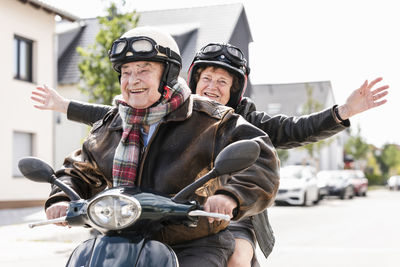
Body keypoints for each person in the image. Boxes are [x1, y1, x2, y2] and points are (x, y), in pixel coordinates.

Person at [32, 42, 389, 267]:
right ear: (191, 80)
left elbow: (290, 133)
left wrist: (342, 112)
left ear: (235, 89)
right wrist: (63, 109)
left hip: (221, 212)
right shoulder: (132, 116)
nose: (213, 87)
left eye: (224, 81)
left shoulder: (228, 122)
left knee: (236, 256)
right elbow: (100, 131)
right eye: (207, 78)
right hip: (140, 219)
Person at [38, 26, 280, 267]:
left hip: (194, 242)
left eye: (143, 71)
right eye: (126, 72)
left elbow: (260, 154)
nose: (133, 81)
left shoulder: (210, 120)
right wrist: (61, 197)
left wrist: (230, 195)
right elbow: (78, 169)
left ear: (167, 75)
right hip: (119, 239)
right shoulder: (111, 125)